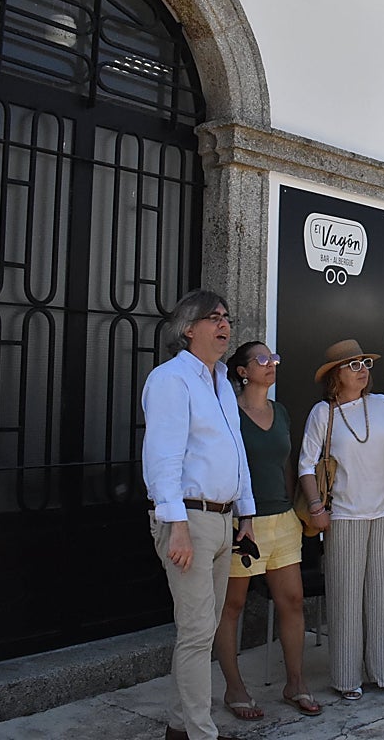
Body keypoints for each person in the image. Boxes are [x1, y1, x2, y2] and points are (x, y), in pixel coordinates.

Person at [142, 289, 256, 740]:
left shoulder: (222, 382)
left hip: (223, 520)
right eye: (214, 317)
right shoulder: (171, 380)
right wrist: (176, 527)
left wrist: (246, 514)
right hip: (189, 520)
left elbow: (236, 451)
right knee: (195, 632)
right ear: (188, 329)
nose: (224, 324)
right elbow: (162, 459)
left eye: (226, 317)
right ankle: (200, 733)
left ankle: (179, 727)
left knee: (204, 630)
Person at [211, 342, 320, 721]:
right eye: (261, 359)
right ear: (242, 372)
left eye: (274, 358)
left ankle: (295, 683)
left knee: (292, 600)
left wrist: (292, 508)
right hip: (244, 522)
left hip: (282, 520)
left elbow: (287, 465)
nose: (271, 363)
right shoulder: (229, 413)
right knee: (232, 605)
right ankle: (234, 688)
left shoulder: (281, 411)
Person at [299, 340, 384, 701]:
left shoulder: (382, 405)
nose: (362, 370)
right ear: (336, 375)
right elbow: (305, 465)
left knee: (383, 596)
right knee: (344, 599)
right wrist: (317, 508)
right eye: (353, 365)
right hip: (344, 517)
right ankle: (346, 678)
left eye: (365, 363)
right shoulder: (323, 413)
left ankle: (383, 672)